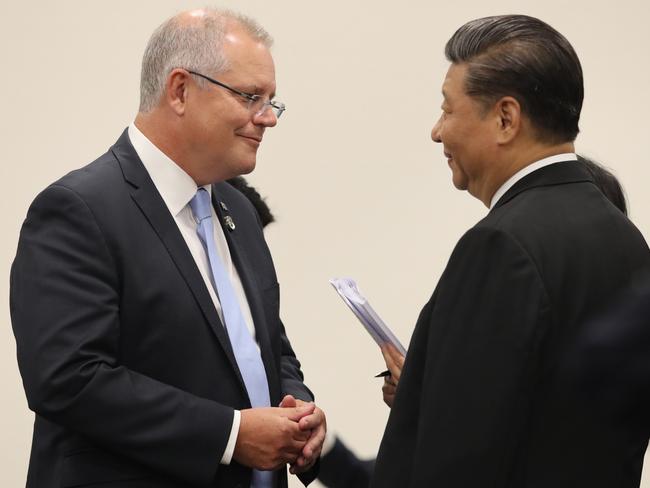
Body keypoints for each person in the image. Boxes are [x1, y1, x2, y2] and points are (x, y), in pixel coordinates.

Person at [10, 8, 325, 488]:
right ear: (180, 89)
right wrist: (231, 434)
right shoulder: (78, 210)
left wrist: (297, 410)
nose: (267, 118)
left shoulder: (237, 210)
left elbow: (268, 348)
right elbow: (69, 379)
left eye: (271, 101)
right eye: (250, 97)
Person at [371, 14, 650, 488]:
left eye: (447, 109)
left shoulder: (500, 245)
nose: (437, 132)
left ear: (505, 118)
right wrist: (428, 384)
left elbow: (462, 455)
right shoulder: (625, 237)